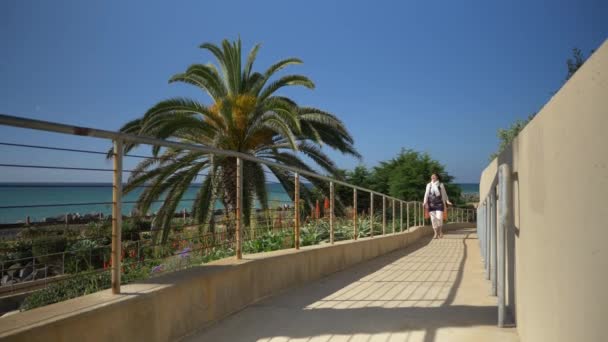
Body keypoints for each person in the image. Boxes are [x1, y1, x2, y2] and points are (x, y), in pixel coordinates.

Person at [423, 173, 452, 239]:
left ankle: (440, 231)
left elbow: (444, 194)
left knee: (439, 218)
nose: (432, 176)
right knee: (433, 219)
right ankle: (435, 233)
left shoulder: (441, 185)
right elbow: (426, 194)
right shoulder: (428, 185)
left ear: (437, 177)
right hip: (431, 204)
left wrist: (447, 201)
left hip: (439, 204)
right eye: (432, 175)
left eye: (434, 176)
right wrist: (424, 202)